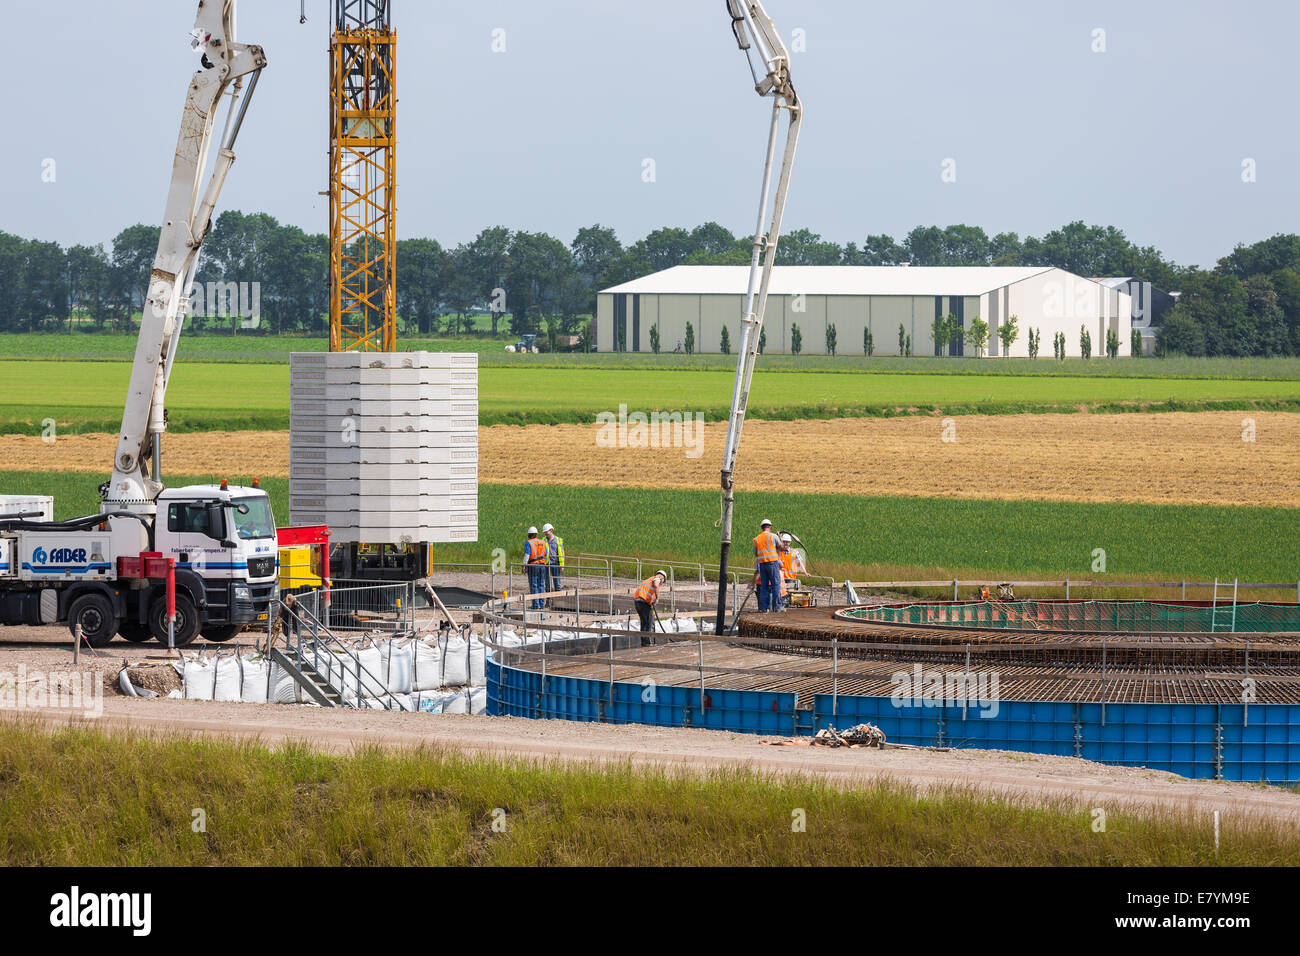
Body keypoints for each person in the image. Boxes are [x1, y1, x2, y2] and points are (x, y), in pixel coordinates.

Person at [753, 519, 787, 612]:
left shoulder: (756, 539)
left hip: (762, 564)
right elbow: (781, 547)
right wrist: (779, 539)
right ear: (770, 527)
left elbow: (756, 553)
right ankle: (777, 607)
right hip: (772, 563)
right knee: (775, 585)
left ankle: (763, 608)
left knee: (764, 586)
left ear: (762, 527)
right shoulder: (773, 536)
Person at [633, 570, 667, 644]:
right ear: (662, 577)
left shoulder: (647, 580)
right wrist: (657, 598)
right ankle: (647, 643)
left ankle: (644, 642)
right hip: (644, 602)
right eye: (663, 581)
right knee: (649, 622)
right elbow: (655, 585)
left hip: (637, 602)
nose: (662, 583)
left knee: (644, 623)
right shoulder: (657, 578)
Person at [524, 526, 549, 610]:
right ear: (536, 534)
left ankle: (535, 605)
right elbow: (546, 553)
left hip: (533, 565)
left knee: (534, 585)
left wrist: (524, 565)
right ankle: (542, 604)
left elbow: (527, 555)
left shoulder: (529, 543)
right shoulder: (543, 542)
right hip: (542, 565)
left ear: (529, 534)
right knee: (541, 584)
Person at [778, 533, 804, 609]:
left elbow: (800, 563)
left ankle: (788, 609)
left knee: (790, 596)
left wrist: (805, 572)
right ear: (781, 542)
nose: (786, 543)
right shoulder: (779, 551)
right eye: (784, 541)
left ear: (790, 543)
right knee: (781, 596)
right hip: (781, 579)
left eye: (787, 542)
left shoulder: (795, 552)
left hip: (791, 579)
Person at [543, 523, 564, 597]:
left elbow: (562, 552)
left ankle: (559, 600)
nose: (545, 533)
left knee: (557, 583)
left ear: (551, 530)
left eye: (546, 532)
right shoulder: (543, 540)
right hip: (546, 564)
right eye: (544, 532)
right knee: (547, 584)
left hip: (555, 564)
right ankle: (548, 600)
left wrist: (562, 565)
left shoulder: (558, 540)